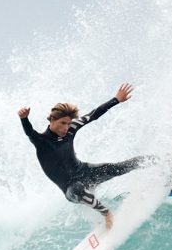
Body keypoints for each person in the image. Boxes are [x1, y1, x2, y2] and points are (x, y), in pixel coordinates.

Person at [18, 82, 149, 230]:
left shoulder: (71, 129)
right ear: (52, 120)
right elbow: (29, 132)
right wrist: (24, 119)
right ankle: (106, 214)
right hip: (70, 189)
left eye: (68, 123)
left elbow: (93, 115)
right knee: (78, 189)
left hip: (85, 172)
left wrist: (116, 99)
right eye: (62, 123)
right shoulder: (41, 141)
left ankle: (168, 161)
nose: (66, 128)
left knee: (119, 166)